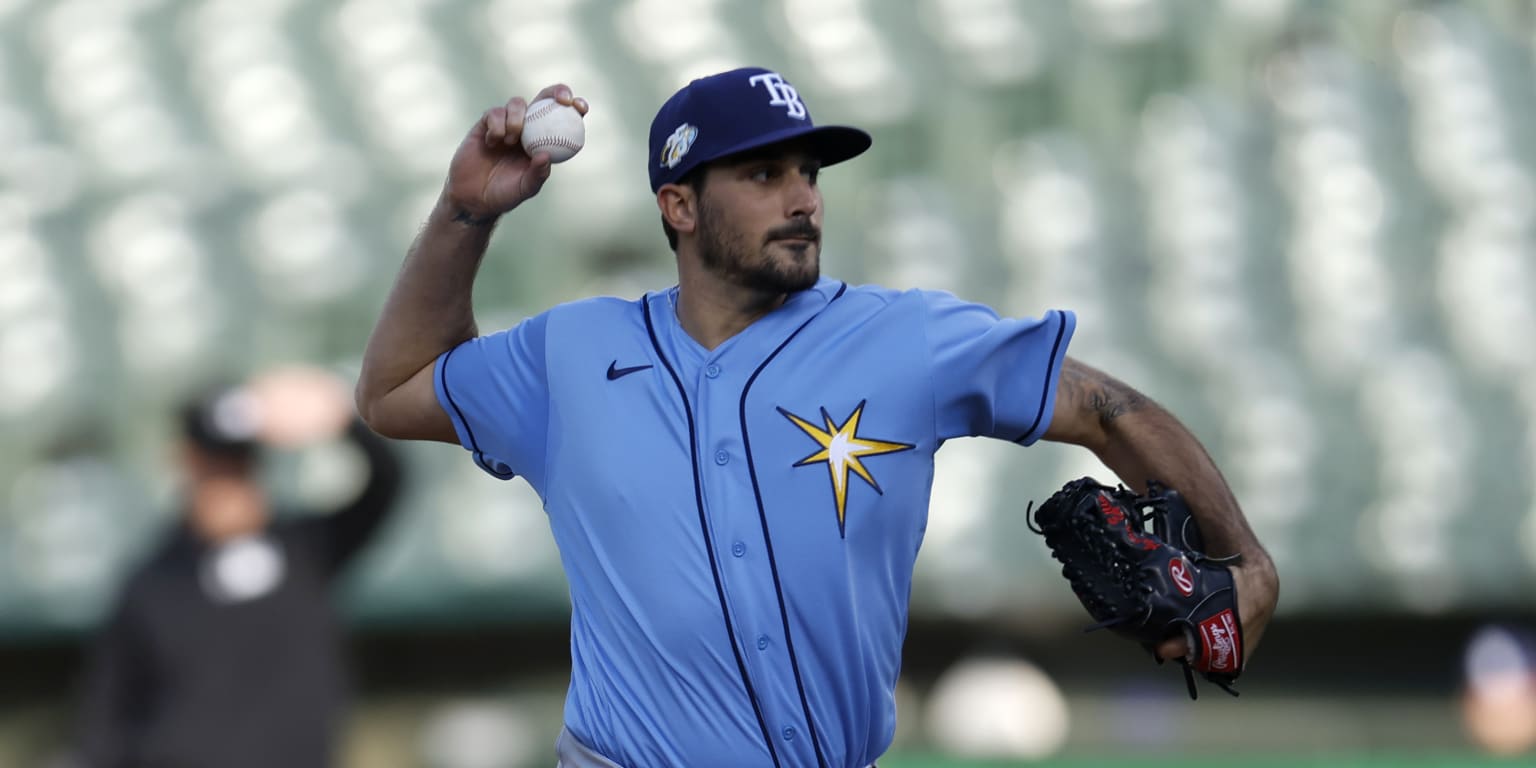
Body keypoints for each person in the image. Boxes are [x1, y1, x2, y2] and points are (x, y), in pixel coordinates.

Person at [355, 67, 1280, 767]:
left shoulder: (904, 336)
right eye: (762, 174)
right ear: (678, 204)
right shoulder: (567, 355)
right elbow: (397, 391)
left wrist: (1243, 559)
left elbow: (1110, 409)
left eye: (807, 171)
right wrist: (463, 214)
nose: (801, 197)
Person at [74, 367, 403, 768]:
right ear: (187, 463)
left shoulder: (306, 549)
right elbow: (107, 723)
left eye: (240, 462)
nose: (230, 478)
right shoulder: (152, 583)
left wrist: (342, 419)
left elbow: (387, 483)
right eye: (215, 464)